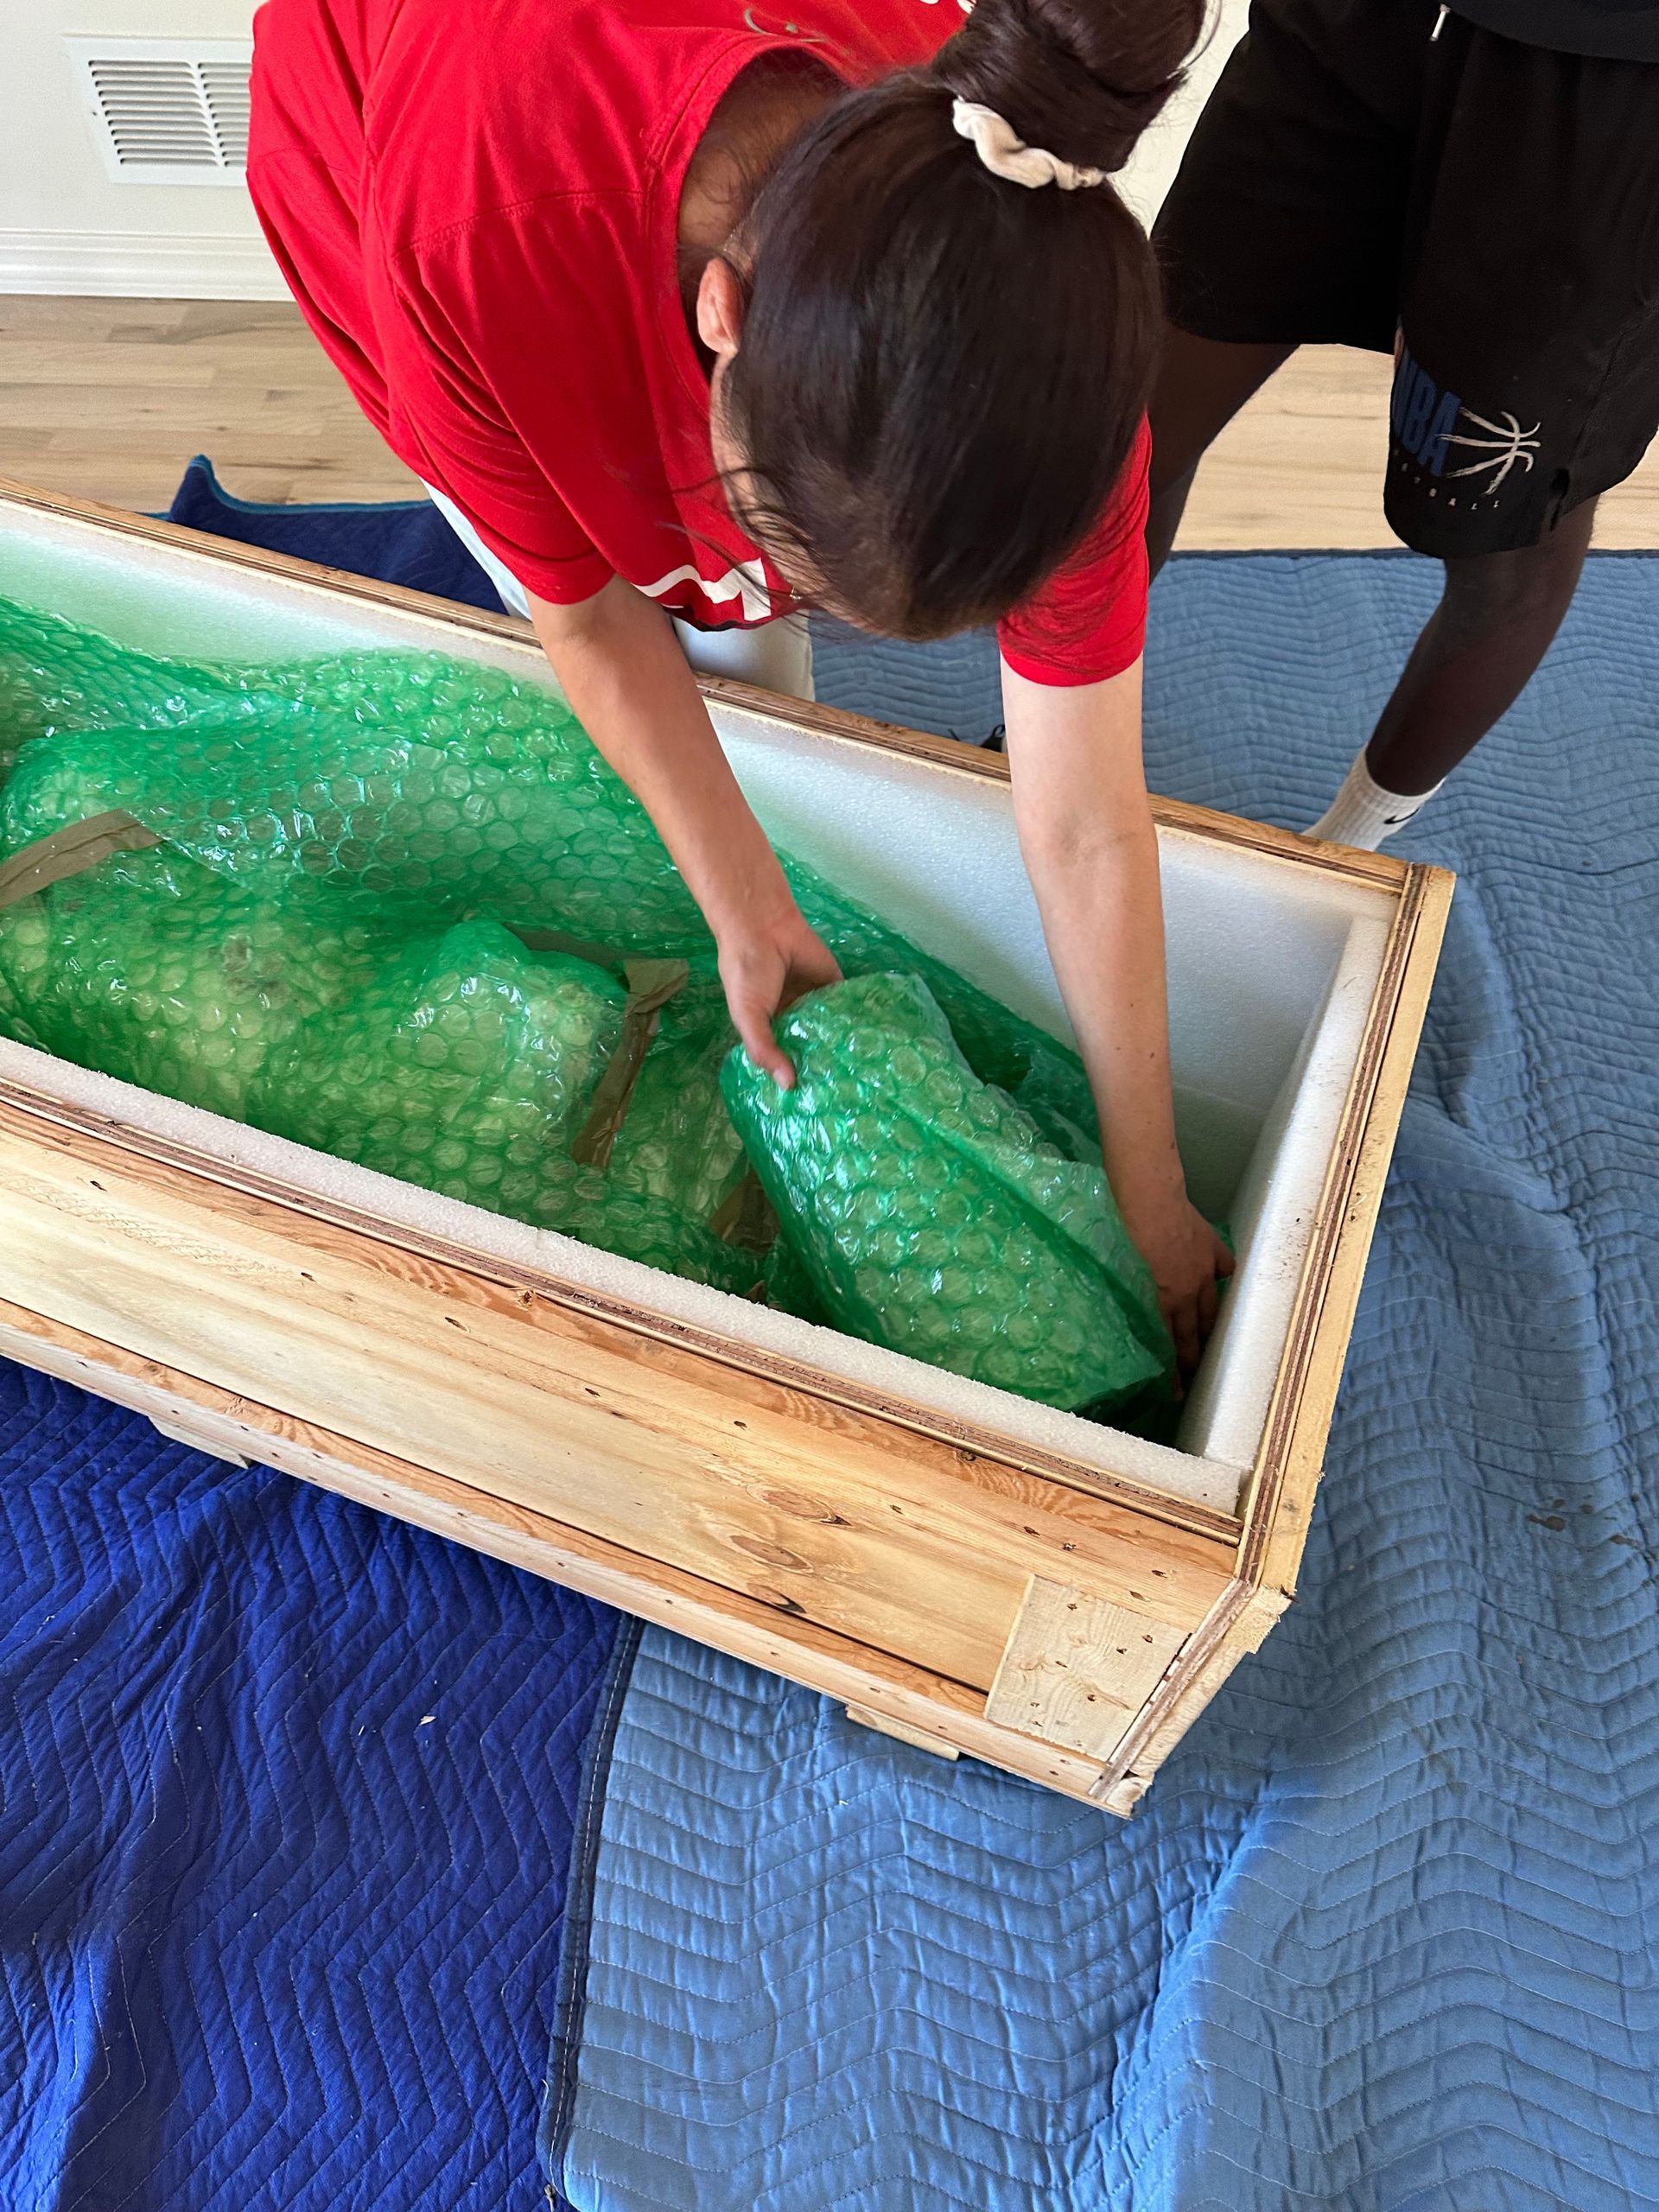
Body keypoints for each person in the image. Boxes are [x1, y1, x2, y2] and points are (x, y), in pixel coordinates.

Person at [248, 0, 1235, 1373]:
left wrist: (1151, 1184)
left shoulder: (1038, 326)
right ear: (719, 316)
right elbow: (592, 622)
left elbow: (1082, 821)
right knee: (654, 600)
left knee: (743, 654)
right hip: (386, 111)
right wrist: (741, 898)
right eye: (775, 549)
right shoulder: (480, 243)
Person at [1147, 0, 1659, 849]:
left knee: (1501, 548)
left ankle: (1346, 850)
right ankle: (1031, 747)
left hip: (1605, 73)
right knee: (1127, 437)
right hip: (1347, 21)